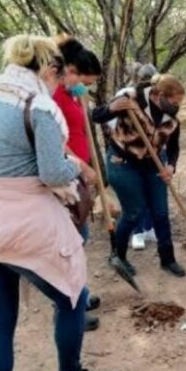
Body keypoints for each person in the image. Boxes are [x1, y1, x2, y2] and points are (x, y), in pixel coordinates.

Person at [0, 34, 117, 371]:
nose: (59, 83)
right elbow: (54, 174)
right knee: (73, 300)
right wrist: (78, 165)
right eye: (58, 75)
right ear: (49, 68)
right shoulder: (39, 107)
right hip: (27, 226)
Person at [91, 73, 186, 278]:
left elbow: (173, 148)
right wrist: (111, 108)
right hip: (122, 163)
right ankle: (118, 256)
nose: (176, 106)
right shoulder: (131, 99)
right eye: (173, 101)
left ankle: (168, 259)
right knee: (134, 212)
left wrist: (171, 166)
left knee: (160, 212)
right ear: (159, 95)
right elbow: (96, 116)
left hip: (153, 164)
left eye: (179, 103)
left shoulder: (172, 120)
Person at [53, 35, 104, 332]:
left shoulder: (72, 94)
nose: (87, 86)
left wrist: (81, 96)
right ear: (70, 70)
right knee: (71, 242)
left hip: (79, 172)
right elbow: (58, 142)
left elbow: (81, 128)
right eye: (85, 80)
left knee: (80, 238)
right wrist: (83, 166)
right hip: (68, 173)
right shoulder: (54, 96)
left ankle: (80, 295)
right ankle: (70, 305)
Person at [127, 63, 159, 250]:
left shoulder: (157, 97)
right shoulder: (128, 96)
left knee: (150, 193)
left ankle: (149, 228)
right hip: (133, 153)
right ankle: (137, 232)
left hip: (152, 152)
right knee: (137, 195)